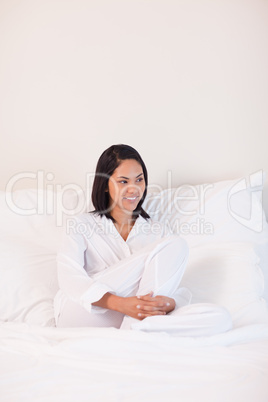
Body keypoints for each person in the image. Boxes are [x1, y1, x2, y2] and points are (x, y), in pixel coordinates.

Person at [54, 144, 232, 335]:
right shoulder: (81, 224)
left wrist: (168, 303)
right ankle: (140, 328)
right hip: (84, 313)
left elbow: (172, 287)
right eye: (123, 182)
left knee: (220, 318)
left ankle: (136, 332)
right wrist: (122, 304)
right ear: (105, 185)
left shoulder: (158, 231)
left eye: (139, 180)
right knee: (175, 245)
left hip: (127, 321)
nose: (134, 189)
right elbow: (69, 278)